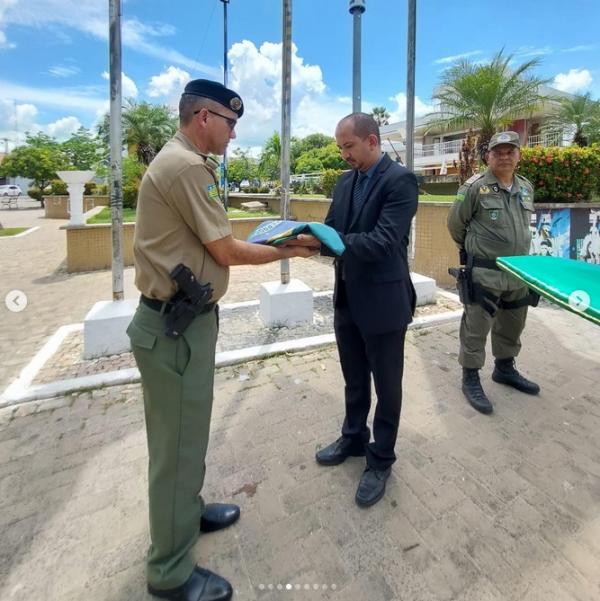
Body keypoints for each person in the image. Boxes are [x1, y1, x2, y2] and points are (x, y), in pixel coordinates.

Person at [127, 79, 318, 601]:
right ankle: (168, 572)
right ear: (204, 118)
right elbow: (227, 250)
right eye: (231, 124)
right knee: (177, 449)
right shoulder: (188, 166)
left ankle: (185, 518)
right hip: (175, 330)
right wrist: (289, 251)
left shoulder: (185, 162)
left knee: (186, 440)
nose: (235, 134)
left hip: (182, 323)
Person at [311, 113, 418, 507]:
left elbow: (383, 242)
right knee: (354, 379)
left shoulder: (401, 181)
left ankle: (381, 458)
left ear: (372, 141)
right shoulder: (344, 183)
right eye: (340, 147)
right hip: (347, 298)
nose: (343, 155)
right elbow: (329, 230)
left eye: (349, 146)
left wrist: (329, 241)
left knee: (388, 387)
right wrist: (298, 238)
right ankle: (353, 437)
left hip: (385, 303)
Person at [447, 131, 540, 415]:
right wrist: (474, 252)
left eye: (510, 151)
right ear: (488, 156)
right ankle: (471, 377)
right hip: (486, 273)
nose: (504, 156)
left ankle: (504, 369)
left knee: (513, 324)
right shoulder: (474, 187)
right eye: (498, 151)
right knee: (476, 327)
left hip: (519, 274)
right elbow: (455, 225)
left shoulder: (526, 188)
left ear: (518, 156)